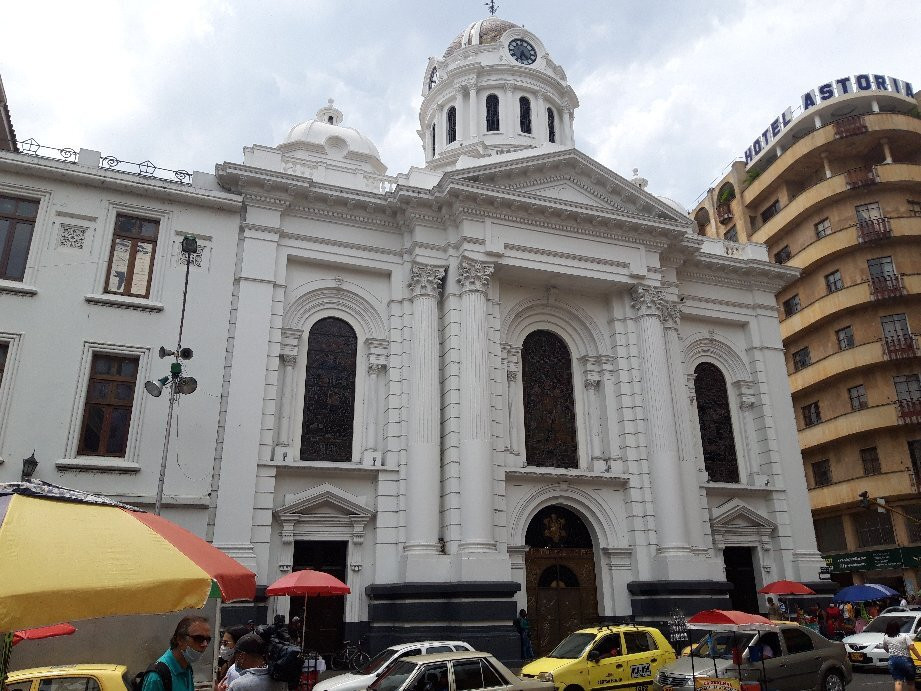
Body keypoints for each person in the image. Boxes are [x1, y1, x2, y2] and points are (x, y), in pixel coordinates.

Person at [141, 616, 212, 691]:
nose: (205, 644)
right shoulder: (157, 677)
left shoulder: (187, 668)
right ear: (180, 640)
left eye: (208, 639)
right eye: (199, 639)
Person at [882, 619, 921, 691]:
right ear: (898, 627)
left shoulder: (886, 637)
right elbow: (912, 647)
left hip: (892, 661)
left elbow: (885, 647)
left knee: (898, 682)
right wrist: (919, 657)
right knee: (911, 683)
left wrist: (890, 653)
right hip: (906, 661)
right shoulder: (904, 636)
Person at [217, 626, 251, 691]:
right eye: (222, 643)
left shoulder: (235, 671)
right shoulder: (226, 665)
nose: (222, 647)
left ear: (238, 644)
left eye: (225, 643)